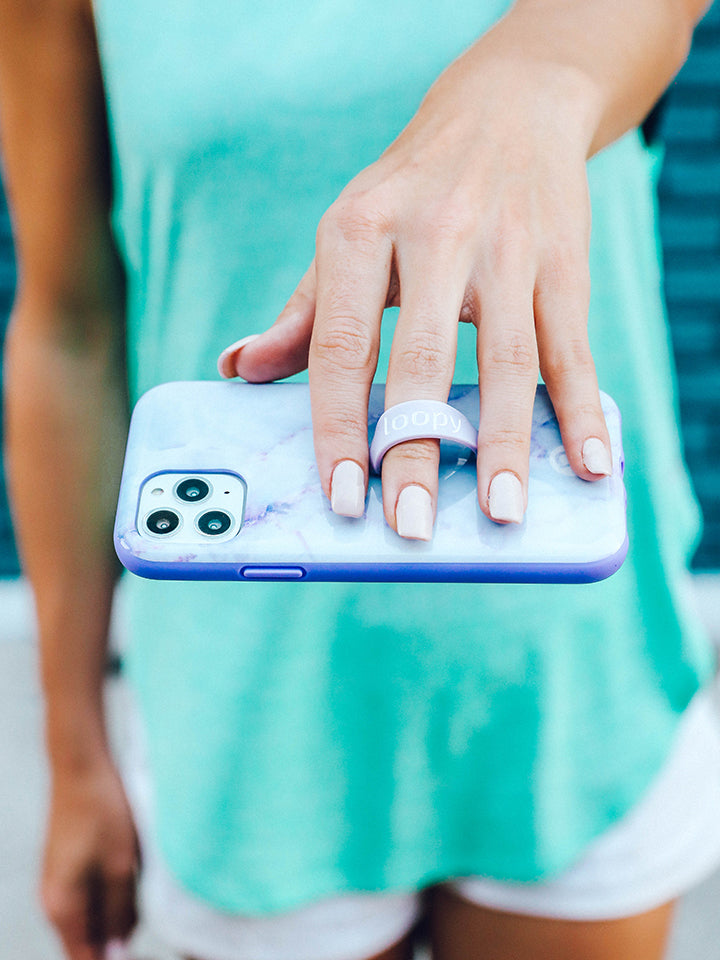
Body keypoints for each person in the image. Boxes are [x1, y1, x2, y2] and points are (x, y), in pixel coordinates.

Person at [1, 1, 719, 959]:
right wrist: (76, 750)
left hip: (579, 680)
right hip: (249, 713)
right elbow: (68, 327)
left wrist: (528, 85)